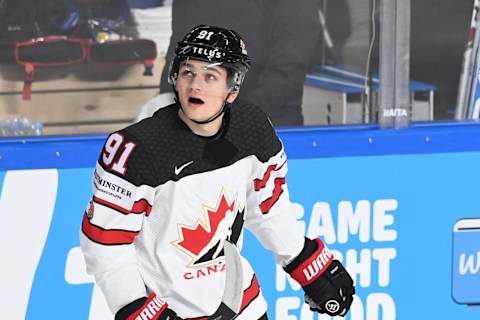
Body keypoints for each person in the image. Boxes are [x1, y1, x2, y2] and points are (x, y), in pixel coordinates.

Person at [80, 25, 354, 320]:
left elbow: (266, 206)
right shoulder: (137, 148)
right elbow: (106, 245)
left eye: (210, 76)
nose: (195, 85)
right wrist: (134, 306)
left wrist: (303, 259)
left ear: (232, 87)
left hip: (242, 305)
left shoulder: (252, 128)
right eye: (188, 72)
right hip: (168, 311)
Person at [158, 0, 324, 127]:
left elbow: (288, 67)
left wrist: (230, 117)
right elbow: (179, 47)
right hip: (190, 124)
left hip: (264, 125)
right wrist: (166, 104)